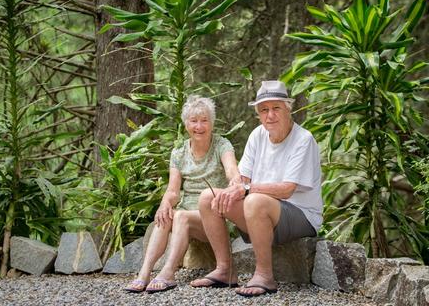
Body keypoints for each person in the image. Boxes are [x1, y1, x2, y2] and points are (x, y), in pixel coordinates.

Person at [190, 80, 323, 297]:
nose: (270, 115)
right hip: (261, 214)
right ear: (258, 114)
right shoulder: (257, 135)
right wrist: (233, 188)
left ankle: (264, 276)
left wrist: (246, 189)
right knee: (208, 197)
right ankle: (225, 270)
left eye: (276, 108)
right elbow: (242, 178)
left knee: (254, 199)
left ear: (288, 108)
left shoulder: (303, 139)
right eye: (264, 110)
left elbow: (287, 189)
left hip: (301, 216)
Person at [124, 95, 240, 293]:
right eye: (194, 121)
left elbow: (231, 169)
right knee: (166, 214)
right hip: (187, 214)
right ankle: (144, 272)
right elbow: (173, 191)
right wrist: (164, 204)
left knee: (181, 216)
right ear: (186, 124)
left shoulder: (222, 145)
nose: (199, 126)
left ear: (212, 123)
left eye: (204, 120)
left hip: (214, 216)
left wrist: (235, 180)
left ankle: (168, 272)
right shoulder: (178, 153)